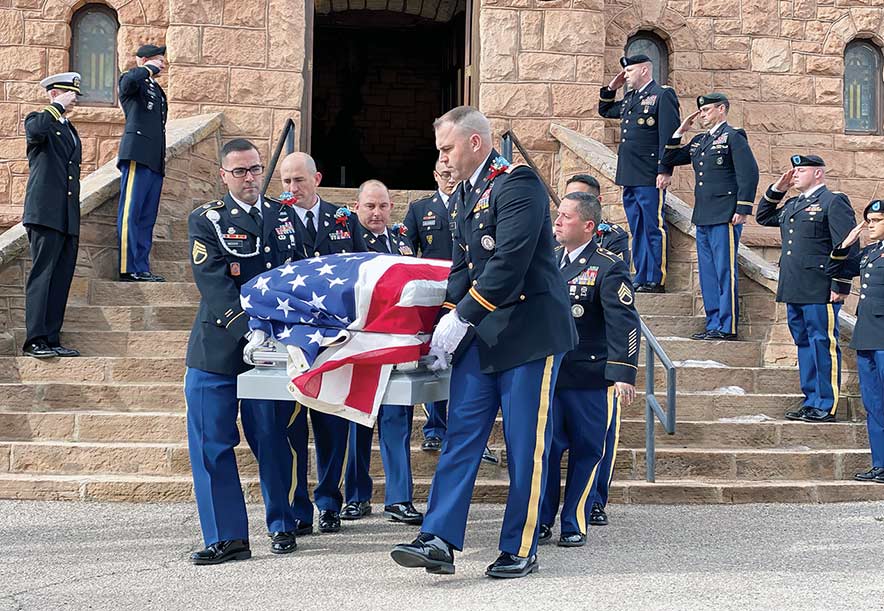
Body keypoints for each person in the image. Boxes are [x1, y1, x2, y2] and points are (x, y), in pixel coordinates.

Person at [390, 106, 577, 579]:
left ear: (475, 142)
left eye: (447, 148)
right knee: (461, 436)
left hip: (528, 334)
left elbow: (509, 262)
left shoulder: (518, 183)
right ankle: (438, 538)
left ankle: (521, 544)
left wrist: (465, 315)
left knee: (523, 444)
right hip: (484, 335)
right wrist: (448, 319)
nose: (443, 159)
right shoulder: (465, 194)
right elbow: (462, 266)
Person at [184, 139, 305, 565]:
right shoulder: (208, 220)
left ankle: (282, 523)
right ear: (224, 175)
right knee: (211, 442)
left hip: (271, 348)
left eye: (254, 169)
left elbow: (297, 277)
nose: (250, 177)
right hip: (217, 347)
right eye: (240, 171)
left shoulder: (284, 216)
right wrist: (247, 329)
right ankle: (227, 537)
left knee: (272, 437)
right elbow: (213, 283)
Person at [539, 191, 640, 546]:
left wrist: (623, 373)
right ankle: (542, 518)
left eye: (566, 216)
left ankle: (574, 519)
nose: (558, 221)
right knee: (546, 451)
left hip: (589, 379)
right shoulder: (551, 260)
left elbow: (624, 322)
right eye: (558, 215)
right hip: (552, 377)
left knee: (587, 451)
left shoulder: (608, 265)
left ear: (588, 225)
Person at [278, 151, 367, 534]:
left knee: (332, 422)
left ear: (317, 178)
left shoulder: (343, 219)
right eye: (286, 182)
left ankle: (330, 501)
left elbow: (364, 266)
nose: (292, 189)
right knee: (293, 426)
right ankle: (298, 509)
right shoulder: (272, 219)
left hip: (335, 338)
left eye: (299, 181)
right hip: (292, 338)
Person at [340, 180, 423, 526]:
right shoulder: (346, 240)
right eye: (370, 206)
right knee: (357, 421)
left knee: (396, 420)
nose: (376, 213)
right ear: (356, 206)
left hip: (394, 343)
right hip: (359, 344)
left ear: (391, 207)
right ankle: (356, 497)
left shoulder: (402, 241)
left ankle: (399, 499)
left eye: (383, 206)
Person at [756, 155, 858, 423]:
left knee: (822, 343)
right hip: (795, 286)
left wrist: (841, 283)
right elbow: (764, 217)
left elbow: (847, 246)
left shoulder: (833, 202)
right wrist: (779, 187)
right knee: (804, 343)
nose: (795, 174)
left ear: (818, 174)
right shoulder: (793, 203)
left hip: (820, 287)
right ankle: (811, 399)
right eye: (794, 170)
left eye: (801, 170)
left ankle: (826, 404)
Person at [662, 93, 760, 341]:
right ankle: (713, 322)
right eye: (701, 110)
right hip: (704, 214)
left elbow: (748, 173)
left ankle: (727, 326)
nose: (703, 114)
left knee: (723, 270)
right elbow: (670, 158)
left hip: (725, 213)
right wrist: (681, 130)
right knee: (707, 272)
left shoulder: (733, 137)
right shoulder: (699, 141)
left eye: (707, 109)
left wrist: (743, 208)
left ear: (722, 109)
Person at [598, 54, 680, 293]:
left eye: (630, 71)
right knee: (637, 227)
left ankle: (655, 278)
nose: (626, 76)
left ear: (645, 70)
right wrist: (612, 88)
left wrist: (665, 169)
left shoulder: (662, 95)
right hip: (630, 174)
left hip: (649, 174)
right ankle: (642, 275)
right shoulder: (631, 98)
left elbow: (669, 136)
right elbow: (605, 110)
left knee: (653, 226)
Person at [21, 73, 83, 359]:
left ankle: (52, 337)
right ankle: (35, 339)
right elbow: (36, 132)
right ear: (54, 93)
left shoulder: (69, 129)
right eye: (69, 94)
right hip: (45, 212)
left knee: (60, 278)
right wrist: (56, 106)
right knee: (42, 276)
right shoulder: (39, 120)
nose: (74, 99)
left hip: (67, 216)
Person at [826, 201, 884, 482]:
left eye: (876, 220)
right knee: (873, 404)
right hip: (867, 336)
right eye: (869, 220)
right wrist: (846, 243)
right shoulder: (870, 252)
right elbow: (835, 270)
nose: (870, 224)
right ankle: (880, 464)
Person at [403, 161, 457, 452]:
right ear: (435, 175)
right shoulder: (420, 209)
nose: (450, 179)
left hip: (468, 297)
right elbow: (407, 251)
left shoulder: (472, 204)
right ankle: (435, 427)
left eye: (453, 174)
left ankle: (463, 429)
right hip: (435, 300)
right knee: (436, 361)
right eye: (444, 175)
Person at [117, 44, 168, 282]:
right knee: (132, 211)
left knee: (147, 217)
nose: (163, 64)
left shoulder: (157, 89)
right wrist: (147, 68)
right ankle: (128, 267)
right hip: (137, 154)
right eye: (158, 59)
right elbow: (128, 84)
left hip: (154, 159)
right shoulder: (133, 79)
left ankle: (141, 266)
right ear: (144, 60)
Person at [563, 174, 631, 265]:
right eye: (568, 198)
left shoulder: (612, 237)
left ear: (598, 201)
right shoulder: (556, 236)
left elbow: (613, 272)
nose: (571, 204)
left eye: (579, 199)